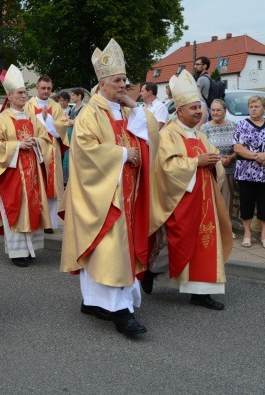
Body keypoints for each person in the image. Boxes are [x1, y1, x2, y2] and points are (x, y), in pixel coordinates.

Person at [60, 39, 159, 337]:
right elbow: (83, 150)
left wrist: (134, 106)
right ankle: (119, 312)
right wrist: (121, 154)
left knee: (116, 249)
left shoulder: (125, 110)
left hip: (127, 190)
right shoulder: (90, 113)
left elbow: (153, 134)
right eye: (118, 81)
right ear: (102, 83)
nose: (123, 85)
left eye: (125, 81)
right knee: (109, 248)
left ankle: (94, 301)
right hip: (105, 195)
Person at [144, 69, 233, 311]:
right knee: (179, 243)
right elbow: (167, 166)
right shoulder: (169, 134)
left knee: (205, 243)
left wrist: (216, 163)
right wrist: (196, 162)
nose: (198, 111)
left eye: (199, 107)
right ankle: (151, 271)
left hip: (205, 200)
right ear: (180, 110)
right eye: (193, 108)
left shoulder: (199, 134)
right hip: (181, 199)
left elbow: (211, 161)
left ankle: (201, 293)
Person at [0, 65, 53, 268]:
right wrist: (18, 145)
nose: (24, 96)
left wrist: (36, 142)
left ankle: (30, 249)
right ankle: (17, 252)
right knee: (17, 209)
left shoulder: (32, 117)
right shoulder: (2, 119)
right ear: (10, 96)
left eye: (25, 92)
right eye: (20, 93)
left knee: (32, 208)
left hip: (32, 173)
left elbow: (45, 138)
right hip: (12, 173)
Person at [232, 95, 265, 249]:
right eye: (251, 106)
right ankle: (247, 233)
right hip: (246, 172)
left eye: (257, 106)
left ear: (264, 108)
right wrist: (258, 156)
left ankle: (264, 235)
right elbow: (237, 147)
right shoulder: (241, 125)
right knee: (246, 203)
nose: (253, 109)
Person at [25, 76, 69, 234]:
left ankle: (49, 222)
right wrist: (39, 118)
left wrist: (48, 119)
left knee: (51, 187)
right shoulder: (28, 105)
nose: (46, 91)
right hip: (34, 150)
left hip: (52, 150)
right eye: (43, 88)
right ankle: (35, 219)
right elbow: (25, 125)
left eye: (49, 89)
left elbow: (63, 125)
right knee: (36, 186)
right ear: (37, 88)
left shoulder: (55, 107)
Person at [200, 99, 237, 238]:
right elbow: (204, 148)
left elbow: (239, 144)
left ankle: (227, 229)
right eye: (213, 110)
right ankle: (213, 228)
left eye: (218, 110)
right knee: (213, 199)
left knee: (227, 199)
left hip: (230, 168)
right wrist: (220, 159)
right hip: (213, 169)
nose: (215, 113)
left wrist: (231, 157)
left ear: (225, 112)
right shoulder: (205, 128)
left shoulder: (233, 126)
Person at [62, 88, 86, 185]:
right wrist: (69, 121)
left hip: (76, 135)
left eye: (73, 95)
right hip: (69, 136)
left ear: (79, 96)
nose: (71, 97)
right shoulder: (72, 108)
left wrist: (70, 121)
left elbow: (76, 122)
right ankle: (66, 181)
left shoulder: (83, 108)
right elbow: (67, 120)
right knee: (67, 157)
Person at [194, 56, 210, 128]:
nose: (195, 66)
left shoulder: (201, 79)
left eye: (197, 64)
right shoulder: (209, 78)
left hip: (203, 109)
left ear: (204, 66)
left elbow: (196, 95)